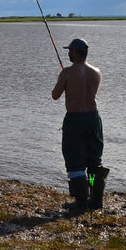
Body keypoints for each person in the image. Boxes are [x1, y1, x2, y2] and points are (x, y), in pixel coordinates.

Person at [51, 38, 108, 213]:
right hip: (93, 119)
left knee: (75, 161)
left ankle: (81, 201)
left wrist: (65, 77)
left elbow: (55, 95)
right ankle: (95, 197)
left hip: (75, 120)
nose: (68, 53)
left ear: (75, 52)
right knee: (93, 161)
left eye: (69, 51)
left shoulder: (67, 73)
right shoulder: (97, 72)